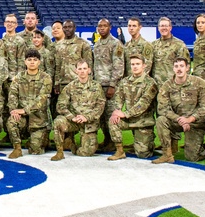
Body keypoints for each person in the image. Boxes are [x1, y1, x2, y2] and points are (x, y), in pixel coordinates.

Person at [154, 57, 205, 165]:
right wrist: (179, 119)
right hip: (177, 122)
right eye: (176, 66)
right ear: (173, 69)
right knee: (161, 120)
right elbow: (162, 108)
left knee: (192, 157)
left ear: (187, 68)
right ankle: (167, 154)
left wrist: (190, 119)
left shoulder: (199, 83)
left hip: (195, 122)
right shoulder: (167, 85)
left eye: (181, 66)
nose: (179, 69)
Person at [106, 55, 159, 160]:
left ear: (144, 66)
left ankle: (148, 143)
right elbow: (118, 99)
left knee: (143, 154)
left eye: (138, 64)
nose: (135, 67)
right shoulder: (124, 82)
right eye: (133, 64)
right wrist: (117, 111)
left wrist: (125, 114)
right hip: (128, 120)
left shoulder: (150, 83)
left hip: (143, 122)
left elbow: (143, 104)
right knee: (113, 121)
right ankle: (119, 151)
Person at [52, 59, 105, 160]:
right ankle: (60, 151)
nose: (82, 71)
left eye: (84, 68)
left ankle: (72, 145)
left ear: (89, 70)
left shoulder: (96, 86)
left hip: (89, 123)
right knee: (58, 122)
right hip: (74, 121)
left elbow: (100, 106)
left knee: (85, 153)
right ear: (76, 71)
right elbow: (61, 105)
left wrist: (87, 117)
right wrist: (72, 117)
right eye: (79, 69)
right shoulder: (70, 87)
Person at [6, 49, 53, 158]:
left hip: (39, 119)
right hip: (22, 117)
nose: (32, 62)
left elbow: (42, 99)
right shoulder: (18, 77)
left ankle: (39, 140)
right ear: (25, 61)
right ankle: (17, 148)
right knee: (12, 121)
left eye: (35, 60)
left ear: (39, 62)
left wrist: (24, 110)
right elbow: (12, 95)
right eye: (29, 59)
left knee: (35, 150)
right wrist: (14, 111)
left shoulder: (45, 78)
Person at [92, 18, 125, 153]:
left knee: (111, 114)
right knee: (101, 116)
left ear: (110, 27)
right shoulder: (97, 44)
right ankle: (107, 140)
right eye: (100, 26)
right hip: (99, 85)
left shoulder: (116, 43)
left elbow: (118, 66)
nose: (102, 28)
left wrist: (113, 85)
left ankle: (114, 142)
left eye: (104, 26)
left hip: (110, 86)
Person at [53, 19, 93, 97]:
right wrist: (56, 83)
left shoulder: (83, 44)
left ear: (74, 28)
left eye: (70, 27)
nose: (67, 29)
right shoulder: (58, 45)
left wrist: (88, 83)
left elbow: (89, 65)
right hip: (62, 84)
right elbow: (57, 66)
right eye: (65, 27)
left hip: (78, 83)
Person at [151, 17, 189, 85]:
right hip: (156, 85)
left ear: (170, 28)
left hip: (172, 85)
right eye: (162, 26)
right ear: (158, 28)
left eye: (166, 26)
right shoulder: (153, 45)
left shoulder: (179, 44)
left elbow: (185, 66)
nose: (164, 28)